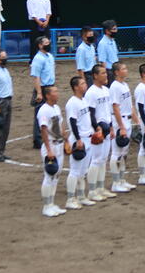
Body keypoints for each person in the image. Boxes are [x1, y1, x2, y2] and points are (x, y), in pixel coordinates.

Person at [84, 64, 115, 201]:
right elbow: (90, 113)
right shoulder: (91, 92)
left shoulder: (106, 90)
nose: (106, 75)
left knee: (103, 160)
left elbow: (109, 111)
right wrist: (96, 128)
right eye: (102, 73)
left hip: (107, 128)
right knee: (96, 160)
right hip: (98, 130)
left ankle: (101, 188)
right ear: (95, 76)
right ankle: (92, 191)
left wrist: (112, 127)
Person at [64, 76, 97, 207]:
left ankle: (81, 196)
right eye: (82, 83)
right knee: (75, 171)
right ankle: (70, 199)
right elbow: (72, 122)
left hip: (87, 138)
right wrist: (78, 139)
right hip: (79, 139)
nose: (85, 85)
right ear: (76, 87)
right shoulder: (72, 103)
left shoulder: (84, 100)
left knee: (83, 171)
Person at [109, 61, 139, 190]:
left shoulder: (125, 85)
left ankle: (122, 180)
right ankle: (116, 183)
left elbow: (130, 105)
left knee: (124, 153)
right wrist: (121, 127)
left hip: (127, 120)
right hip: (119, 121)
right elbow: (115, 108)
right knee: (116, 153)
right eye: (124, 69)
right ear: (117, 72)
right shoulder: (114, 87)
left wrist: (137, 121)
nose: (126, 70)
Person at [37, 86, 67, 217]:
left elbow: (61, 126)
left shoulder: (56, 108)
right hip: (50, 146)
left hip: (59, 145)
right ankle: (46, 206)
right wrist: (49, 150)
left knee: (56, 175)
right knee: (49, 176)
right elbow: (43, 130)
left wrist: (66, 141)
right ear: (47, 95)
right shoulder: (43, 110)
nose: (57, 93)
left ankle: (52, 203)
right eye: (55, 92)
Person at [30, 36, 55, 149]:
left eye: (48, 42)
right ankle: (38, 139)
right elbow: (36, 77)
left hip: (50, 86)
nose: (48, 43)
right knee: (40, 114)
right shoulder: (38, 59)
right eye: (46, 42)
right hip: (43, 88)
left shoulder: (50, 56)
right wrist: (39, 93)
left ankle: (48, 136)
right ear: (40, 45)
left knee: (51, 112)